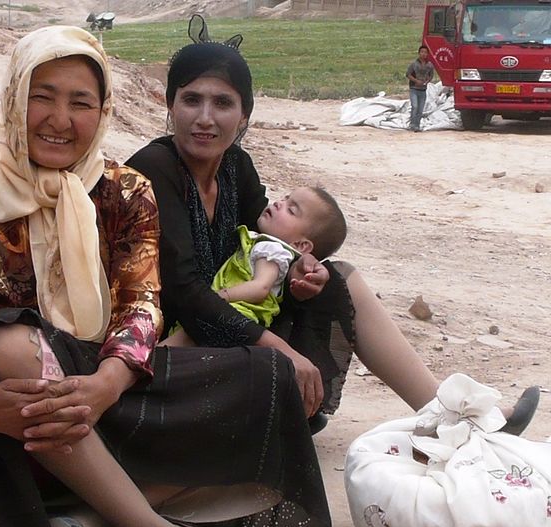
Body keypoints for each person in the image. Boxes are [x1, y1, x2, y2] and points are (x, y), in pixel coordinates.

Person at [0, 26, 331, 527]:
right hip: (0, 426)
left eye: (80, 102)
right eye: (42, 95)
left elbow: (142, 302)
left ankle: (92, 518)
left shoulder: (125, 190)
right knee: (4, 339)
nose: (60, 118)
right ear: (13, 99)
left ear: (102, 110)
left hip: (104, 391)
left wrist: (107, 382)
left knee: (269, 374)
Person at [126, 41, 537, 432]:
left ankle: (443, 411)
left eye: (223, 103)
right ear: (170, 104)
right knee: (268, 360)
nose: (205, 118)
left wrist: (305, 271)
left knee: (340, 276)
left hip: (227, 316)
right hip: (162, 341)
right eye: (191, 99)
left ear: (245, 115)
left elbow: (269, 236)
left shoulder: (234, 164)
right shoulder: (153, 169)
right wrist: (281, 348)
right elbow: (184, 294)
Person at [164, 185, 346, 343]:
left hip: (237, 311)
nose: (278, 203)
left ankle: (152, 363)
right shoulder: (263, 244)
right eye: (285, 198)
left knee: (186, 337)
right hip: (235, 313)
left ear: (300, 245)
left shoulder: (271, 250)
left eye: (291, 210)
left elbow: (261, 287)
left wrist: (217, 297)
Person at [406, 45, 434, 132]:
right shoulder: (414, 64)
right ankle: (412, 124)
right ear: (419, 53)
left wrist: (427, 81)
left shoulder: (429, 65)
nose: (423, 54)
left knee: (420, 109)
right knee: (415, 106)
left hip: (423, 90)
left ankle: (417, 125)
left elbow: (431, 75)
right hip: (414, 88)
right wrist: (416, 81)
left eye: (425, 52)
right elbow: (408, 74)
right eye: (422, 52)